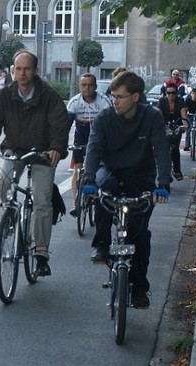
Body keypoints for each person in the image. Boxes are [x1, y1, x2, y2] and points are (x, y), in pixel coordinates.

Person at [0, 49, 69, 276]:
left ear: (35, 70)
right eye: (18, 69)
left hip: (43, 151)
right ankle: (9, 217)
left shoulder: (49, 96)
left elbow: (59, 125)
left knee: (42, 200)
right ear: (12, 70)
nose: (22, 73)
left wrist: (56, 149)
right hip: (14, 148)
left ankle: (41, 253)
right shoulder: (3, 96)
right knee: (4, 183)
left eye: (27, 69)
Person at [82, 71, 171, 308]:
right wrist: (89, 180)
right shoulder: (104, 118)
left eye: (120, 97)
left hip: (141, 178)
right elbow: (93, 150)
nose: (115, 101)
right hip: (110, 171)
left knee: (139, 234)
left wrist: (163, 184)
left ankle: (140, 288)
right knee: (103, 190)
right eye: (113, 96)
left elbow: (162, 149)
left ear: (135, 97)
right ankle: (101, 244)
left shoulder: (151, 117)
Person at [67, 73, 112, 218]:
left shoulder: (104, 101)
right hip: (81, 139)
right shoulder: (74, 102)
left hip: (100, 140)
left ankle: (96, 196)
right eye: (84, 85)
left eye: (90, 85)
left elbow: (111, 124)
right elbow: (66, 125)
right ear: (79, 86)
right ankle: (76, 203)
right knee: (77, 170)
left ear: (96, 87)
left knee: (99, 170)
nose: (87, 88)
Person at [157, 82, 188, 181]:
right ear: (166, 93)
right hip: (164, 125)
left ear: (177, 93)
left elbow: (183, 114)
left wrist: (185, 124)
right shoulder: (162, 101)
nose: (171, 95)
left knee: (175, 149)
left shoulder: (180, 101)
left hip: (176, 126)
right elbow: (158, 113)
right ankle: (162, 171)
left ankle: (177, 170)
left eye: (173, 93)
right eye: (168, 93)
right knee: (163, 149)